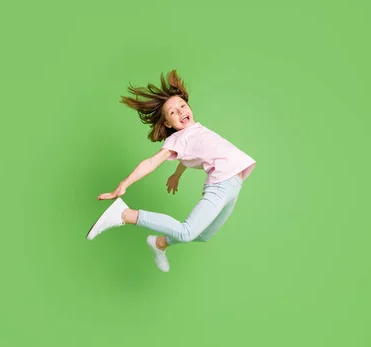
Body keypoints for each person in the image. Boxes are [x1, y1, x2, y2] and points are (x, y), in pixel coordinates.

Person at [87, 70, 256, 272]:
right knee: (186, 232)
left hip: (234, 187)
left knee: (204, 235)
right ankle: (124, 214)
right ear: (167, 123)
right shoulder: (178, 139)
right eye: (173, 112)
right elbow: (151, 162)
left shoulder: (195, 132)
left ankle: (159, 243)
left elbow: (194, 154)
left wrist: (177, 175)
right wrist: (124, 184)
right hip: (221, 184)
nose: (181, 111)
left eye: (182, 106)